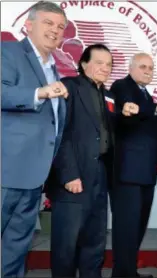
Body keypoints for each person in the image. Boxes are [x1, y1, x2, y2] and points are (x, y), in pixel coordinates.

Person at [1, 1, 67, 276]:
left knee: (16, 246)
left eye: (61, 26)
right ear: (29, 25)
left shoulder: (55, 69)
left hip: (35, 175)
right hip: (6, 171)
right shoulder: (9, 52)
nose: (55, 30)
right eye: (48, 23)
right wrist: (39, 93)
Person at [48, 44, 115, 278]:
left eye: (109, 64)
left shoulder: (106, 94)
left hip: (101, 174)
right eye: (99, 62)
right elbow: (60, 134)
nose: (105, 68)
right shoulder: (69, 87)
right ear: (84, 63)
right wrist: (68, 174)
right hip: (73, 178)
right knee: (66, 246)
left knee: (95, 242)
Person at [110, 53, 157, 278]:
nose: (148, 70)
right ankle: (123, 274)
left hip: (146, 171)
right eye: (143, 66)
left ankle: (128, 273)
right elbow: (132, 114)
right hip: (128, 171)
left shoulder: (144, 93)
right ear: (130, 68)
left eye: (151, 67)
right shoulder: (122, 86)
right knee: (126, 228)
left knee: (137, 227)